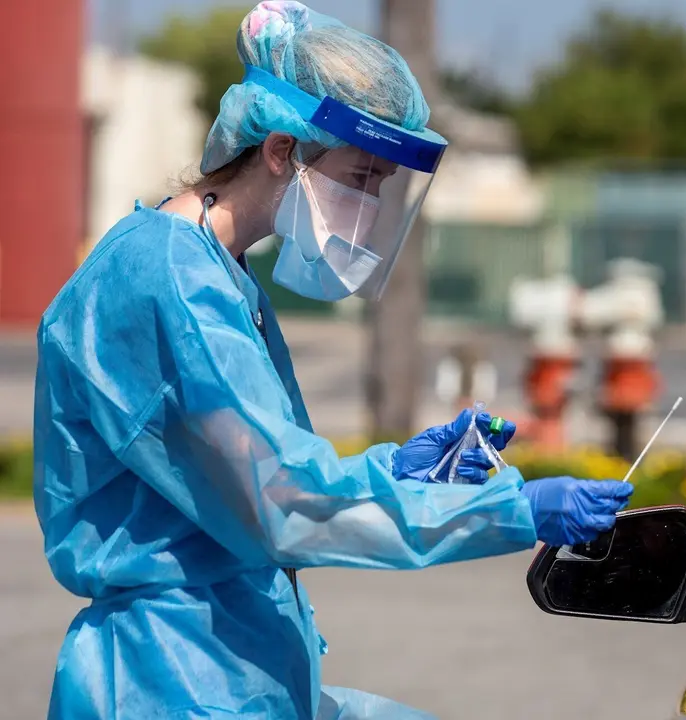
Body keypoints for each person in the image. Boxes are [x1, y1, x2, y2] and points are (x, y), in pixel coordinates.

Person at [32, 3, 633, 718]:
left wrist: (392, 470)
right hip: (173, 680)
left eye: (381, 185)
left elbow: (251, 476)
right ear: (282, 150)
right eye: (362, 175)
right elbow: (284, 505)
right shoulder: (166, 279)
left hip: (229, 668)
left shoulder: (216, 271)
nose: (369, 203)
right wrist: (511, 508)